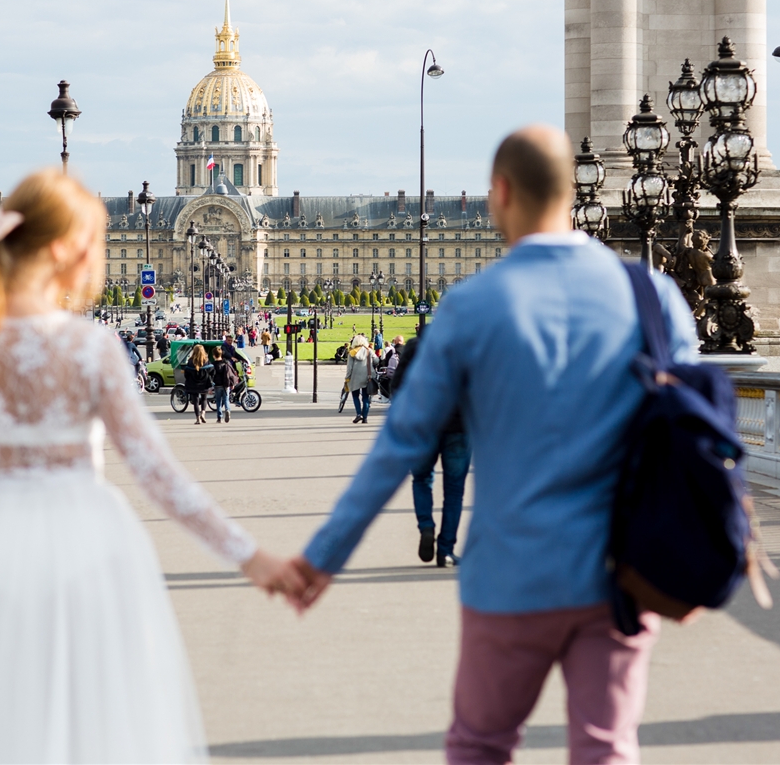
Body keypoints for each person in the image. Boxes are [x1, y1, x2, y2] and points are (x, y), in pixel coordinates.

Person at [286, 126, 699, 765]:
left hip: (510, 571)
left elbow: (402, 442)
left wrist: (322, 557)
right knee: (607, 749)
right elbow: (695, 438)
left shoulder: (472, 305)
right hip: (622, 571)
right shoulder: (654, 296)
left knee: (480, 746)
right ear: (574, 192)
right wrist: (694, 558)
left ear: (499, 193)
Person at [0, 169, 303, 763]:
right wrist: (250, 556)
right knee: (94, 722)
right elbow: (157, 474)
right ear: (66, 251)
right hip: (84, 540)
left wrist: (1, 465)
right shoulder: (90, 347)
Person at [391, 332, 470, 568]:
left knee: (422, 480)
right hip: (459, 427)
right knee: (454, 492)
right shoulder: (467, 346)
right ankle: (445, 549)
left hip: (423, 426)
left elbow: (397, 386)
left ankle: (426, 526)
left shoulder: (415, 346)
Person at [343, 334, 375, 424]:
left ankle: (358, 414)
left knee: (355, 396)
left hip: (355, 377)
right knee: (365, 397)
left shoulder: (352, 352)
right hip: (368, 376)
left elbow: (349, 368)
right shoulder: (369, 351)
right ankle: (365, 417)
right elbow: (376, 360)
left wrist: (347, 378)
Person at [180, 343, 214, 425]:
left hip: (193, 384)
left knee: (195, 401)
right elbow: (211, 371)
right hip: (204, 383)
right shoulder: (206, 361)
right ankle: (203, 413)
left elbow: (186, 374)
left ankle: (198, 418)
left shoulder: (190, 361)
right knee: (204, 399)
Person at [211, 347, 237, 423]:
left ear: (214, 355)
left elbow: (211, 376)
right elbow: (230, 374)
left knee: (218, 401)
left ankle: (219, 417)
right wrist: (232, 384)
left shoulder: (213, 365)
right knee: (226, 400)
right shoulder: (226, 363)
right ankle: (227, 410)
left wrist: (210, 386)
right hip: (226, 384)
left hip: (217, 385)